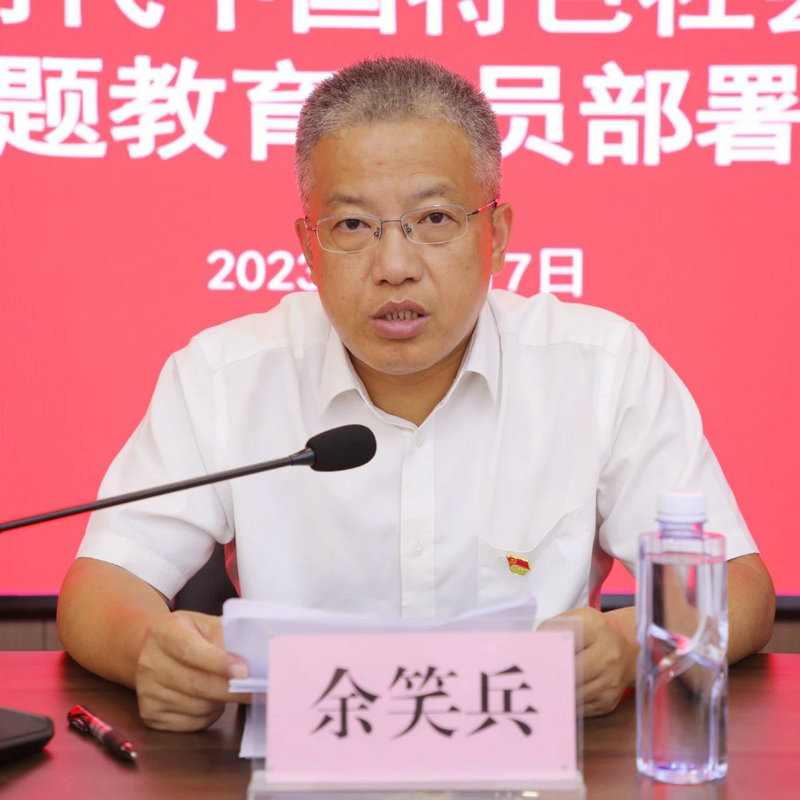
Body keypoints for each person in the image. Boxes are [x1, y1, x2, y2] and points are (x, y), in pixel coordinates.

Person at [57, 57, 775, 733]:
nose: (394, 265)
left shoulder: (600, 368)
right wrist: (149, 647)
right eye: (351, 226)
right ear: (308, 247)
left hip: (532, 765)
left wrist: (632, 640)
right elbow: (100, 586)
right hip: (301, 760)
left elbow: (739, 589)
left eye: (434, 220)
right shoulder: (224, 376)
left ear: (496, 234)